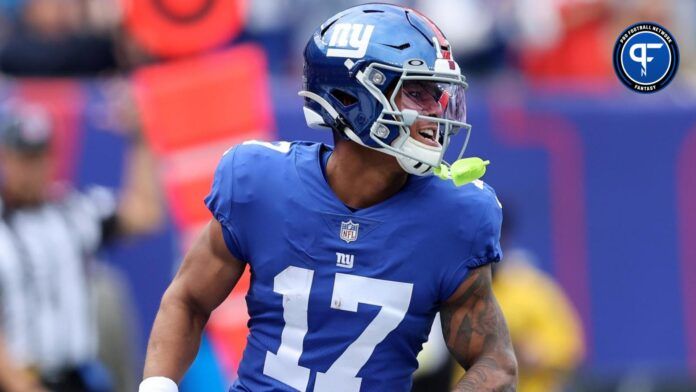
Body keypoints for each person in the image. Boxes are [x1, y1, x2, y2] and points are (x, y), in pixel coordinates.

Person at [140, 4, 517, 392]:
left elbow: (495, 364)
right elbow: (188, 300)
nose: (435, 111)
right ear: (351, 97)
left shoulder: (454, 216)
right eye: (417, 92)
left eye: (437, 94)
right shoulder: (261, 183)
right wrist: (157, 385)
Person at [0, 100, 162, 392]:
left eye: (38, 157)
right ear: (6, 159)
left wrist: (140, 140)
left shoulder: (74, 212)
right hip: (18, 380)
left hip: (77, 378)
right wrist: (18, 383)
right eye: (23, 158)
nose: (31, 169)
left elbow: (144, 214)